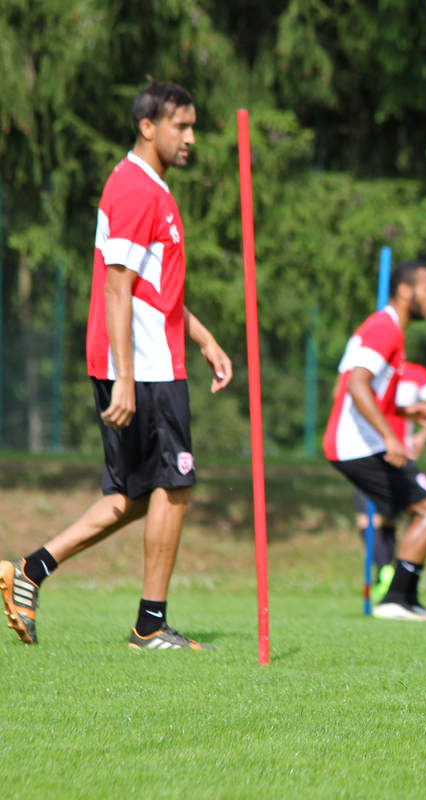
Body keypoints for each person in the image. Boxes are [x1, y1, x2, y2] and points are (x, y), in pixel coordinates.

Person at [1, 81, 233, 650]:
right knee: (174, 486)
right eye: (182, 125)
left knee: (131, 497)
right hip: (145, 367)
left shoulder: (148, 186)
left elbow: (155, 288)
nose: (191, 138)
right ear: (149, 126)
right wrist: (125, 377)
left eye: (193, 126)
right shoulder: (134, 188)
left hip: (154, 358)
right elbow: (117, 288)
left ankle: (29, 570)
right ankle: (149, 626)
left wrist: (201, 337)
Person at [324, 261, 426, 621]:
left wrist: (407, 413)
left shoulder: (386, 328)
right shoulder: (384, 328)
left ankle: (404, 600)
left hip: (359, 443)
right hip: (358, 445)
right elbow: (355, 384)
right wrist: (390, 437)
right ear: (407, 291)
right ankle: (396, 599)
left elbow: (362, 387)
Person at [355, 361, 426, 604]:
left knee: (369, 520)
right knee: (402, 517)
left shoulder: (369, 371)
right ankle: (395, 583)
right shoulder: (418, 372)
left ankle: (387, 573)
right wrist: (421, 437)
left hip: (370, 452)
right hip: (400, 452)